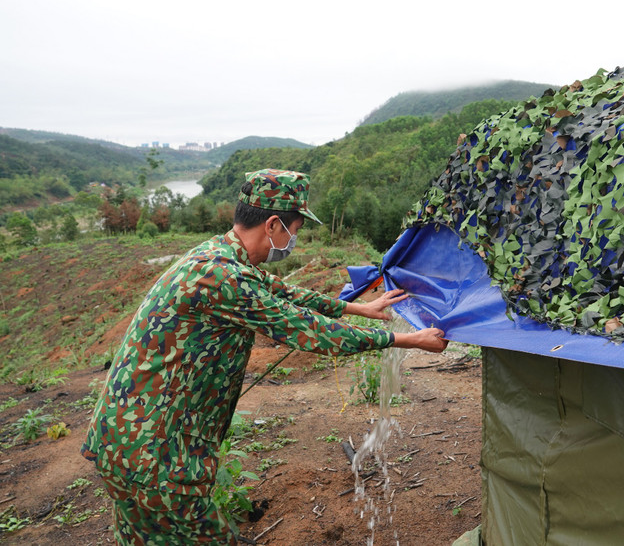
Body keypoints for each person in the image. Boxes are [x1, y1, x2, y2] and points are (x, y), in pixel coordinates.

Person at [81, 169, 447, 545]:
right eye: (296, 229)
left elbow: (284, 293)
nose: (296, 240)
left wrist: (358, 309)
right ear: (273, 225)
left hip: (127, 440)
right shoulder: (222, 278)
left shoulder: (218, 257)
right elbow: (308, 329)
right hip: (157, 454)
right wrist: (407, 339)